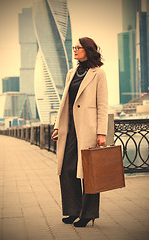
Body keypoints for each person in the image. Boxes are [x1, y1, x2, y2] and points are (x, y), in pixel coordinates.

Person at [51, 37, 108, 227]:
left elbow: (102, 105)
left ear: (88, 50)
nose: (74, 50)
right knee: (67, 170)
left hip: (88, 130)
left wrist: (101, 133)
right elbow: (65, 101)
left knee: (89, 173)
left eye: (78, 47)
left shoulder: (98, 74)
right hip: (70, 129)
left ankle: (87, 214)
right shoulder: (71, 72)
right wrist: (59, 126)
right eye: (74, 47)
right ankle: (72, 211)